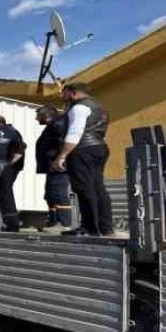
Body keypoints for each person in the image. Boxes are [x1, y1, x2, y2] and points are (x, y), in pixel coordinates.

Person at [52, 83, 114, 236]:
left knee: (84, 188)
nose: (62, 96)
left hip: (82, 149)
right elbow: (101, 131)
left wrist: (62, 156)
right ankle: (105, 228)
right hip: (99, 147)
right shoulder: (99, 108)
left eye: (64, 93)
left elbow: (75, 132)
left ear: (73, 93)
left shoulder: (79, 108)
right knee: (98, 187)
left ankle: (90, 228)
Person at [35, 105, 73, 231]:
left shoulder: (59, 123)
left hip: (59, 166)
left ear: (47, 116)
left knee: (58, 193)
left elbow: (64, 141)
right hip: (52, 166)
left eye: (38, 115)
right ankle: (53, 221)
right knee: (50, 194)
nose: (36, 118)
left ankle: (64, 223)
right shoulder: (53, 125)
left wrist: (57, 154)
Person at [0, 114, 26, 232]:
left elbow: (20, 149)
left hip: (9, 166)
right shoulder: (7, 132)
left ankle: (12, 222)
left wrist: (9, 164)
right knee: (2, 191)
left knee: (5, 191)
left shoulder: (11, 132)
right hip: (6, 165)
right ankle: (7, 220)